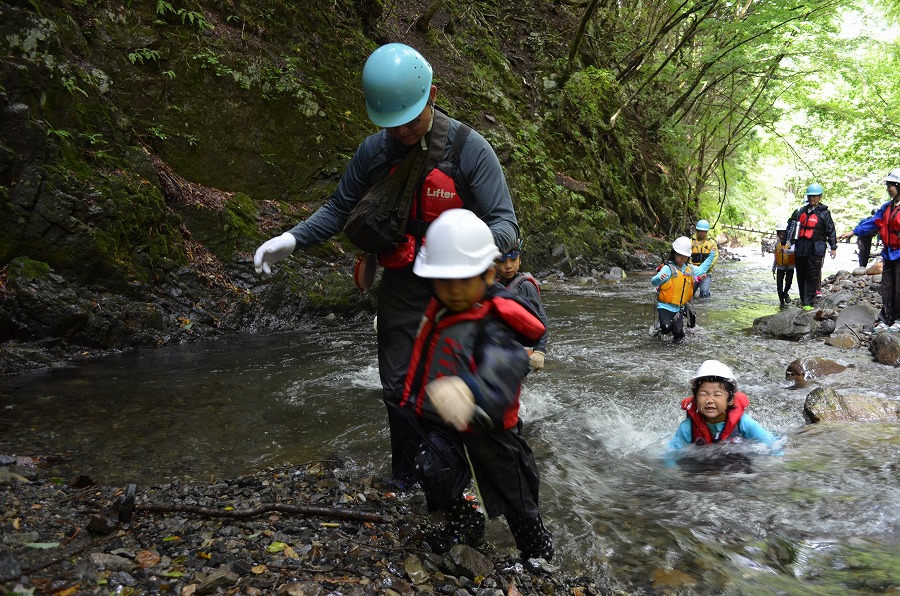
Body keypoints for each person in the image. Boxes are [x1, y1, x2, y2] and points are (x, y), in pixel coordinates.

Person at [253, 43, 519, 488]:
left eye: (411, 120)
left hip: (461, 292)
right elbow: (339, 209)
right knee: (398, 390)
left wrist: (466, 252)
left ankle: (455, 486)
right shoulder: (374, 153)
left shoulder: (471, 151)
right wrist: (292, 238)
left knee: (453, 393)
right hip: (402, 285)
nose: (402, 132)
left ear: (432, 94)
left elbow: (506, 225)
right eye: (392, 124)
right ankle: (405, 478)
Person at [400, 209, 553, 568]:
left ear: (487, 273)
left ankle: (537, 551)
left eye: (462, 279)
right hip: (446, 423)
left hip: (491, 426)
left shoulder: (494, 320)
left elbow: (507, 365)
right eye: (444, 279)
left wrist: (471, 391)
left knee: (516, 497)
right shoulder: (440, 310)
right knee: (430, 468)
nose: (453, 289)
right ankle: (467, 522)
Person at [668, 360, 779, 450]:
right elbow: (671, 454)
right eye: (703, 394)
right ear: (695, 399)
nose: (709, 400)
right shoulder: (688, 428)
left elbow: (772, 445)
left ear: (730, 399)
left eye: (717, 394)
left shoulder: (743, 423)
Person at [842, 169, 900, 330]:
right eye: (888, 185)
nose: (888, 188)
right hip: (889, 253)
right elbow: (872, 222)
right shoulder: (886, 207)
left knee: (899, 287)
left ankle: (898, 320)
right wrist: (853, 232)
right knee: (887, 287)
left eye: (891, 185)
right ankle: (886, 318)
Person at [496, 237, 549, 371]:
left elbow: (541, 318)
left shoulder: (525, 286)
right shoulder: (495, 285)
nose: (508, 266)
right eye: (502, 261)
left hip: (523, 349)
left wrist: (540, 351)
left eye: (513, 260)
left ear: (520, 260)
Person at [651, 236, 716, 345]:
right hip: (664, 306)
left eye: (684, 256)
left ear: (688, 256)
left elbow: (702, 270)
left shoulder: (689, 269)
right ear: (674, 254)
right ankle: (661, 329)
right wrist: (659, 278)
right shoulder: (667, 268)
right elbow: (654, 281)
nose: (681, 258)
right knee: (666, 328)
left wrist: (711, 255)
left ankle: (674, 353)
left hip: (678, 308)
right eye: (679, 255)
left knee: (679, 334)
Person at [784, 183, 837, 310]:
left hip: (817, 247)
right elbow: (791, 227)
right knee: (801, 273)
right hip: (801, 247)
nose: (812, 198)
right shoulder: (800, 212)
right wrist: (788, 242)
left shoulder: (824, 214)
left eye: (815, 196)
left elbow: (831, 230)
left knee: (812, 274)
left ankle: (809, 301)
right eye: (810, 196)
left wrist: (833, 247)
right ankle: (803, 299)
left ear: (820, 197)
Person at [690, 219, 719, 298]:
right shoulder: (690, 242)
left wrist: (705, 268)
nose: (701, 233)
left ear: (707, 231)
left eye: (704, 231)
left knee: (704, 293)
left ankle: (703, 309)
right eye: (700, 231)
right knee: (689, 294)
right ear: (697, 230)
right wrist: (693, 268)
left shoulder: (712, 243)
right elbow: (687, 255)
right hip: (693, 272)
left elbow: (715, 256)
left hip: (706, 272)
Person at [772, 223, 795, 306]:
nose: (781, 236)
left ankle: (785, 294)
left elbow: (794, 252)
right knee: (779, 286)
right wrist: (773, 267)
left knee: (788, 284)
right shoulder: (776, 243)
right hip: (780, 267)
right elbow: (775, 256)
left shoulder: (791, 243)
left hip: (790, 266)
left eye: (783, 234)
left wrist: (785, 250)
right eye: (779, 234)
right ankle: (782, 303)